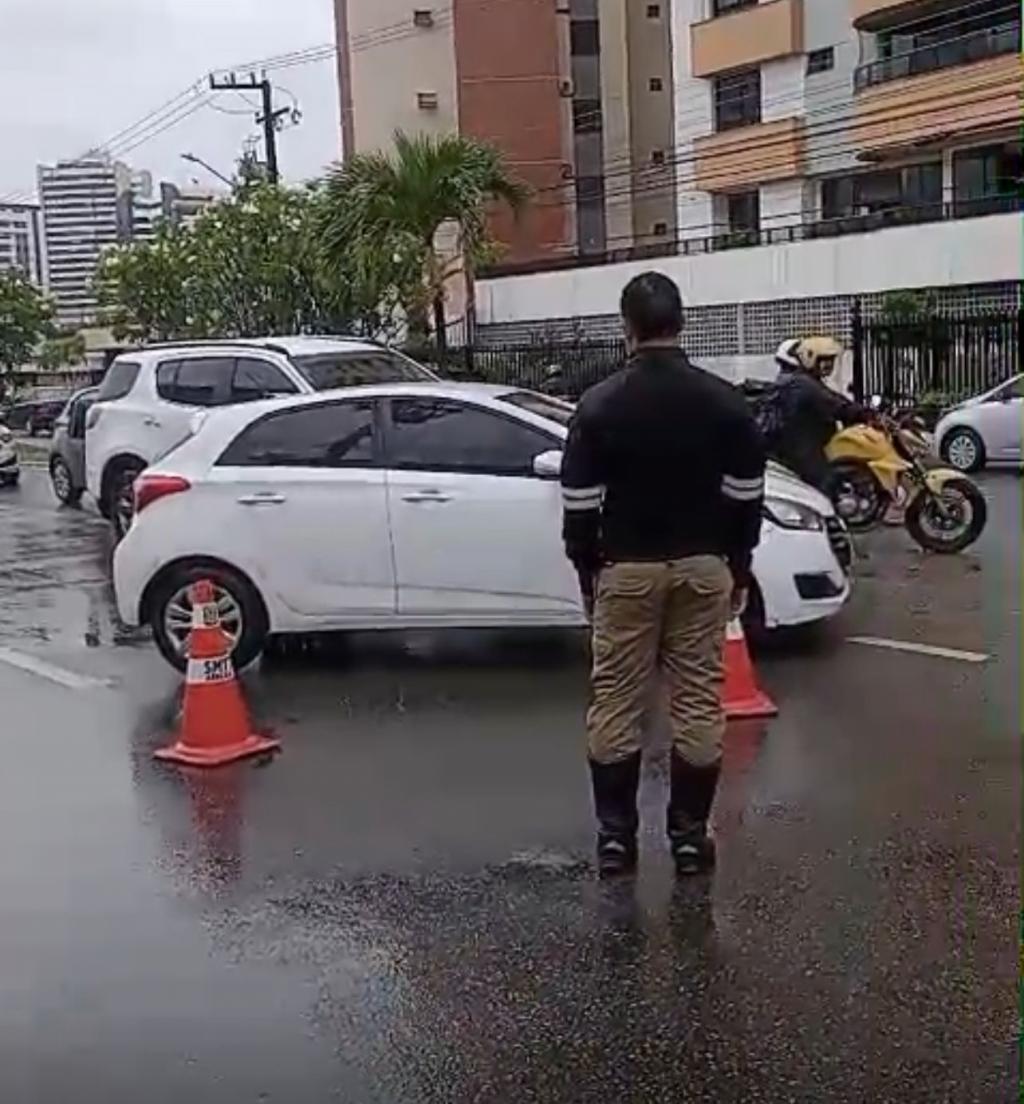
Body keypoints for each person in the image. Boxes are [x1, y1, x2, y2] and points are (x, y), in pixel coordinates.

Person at [561, 272, 766, 878]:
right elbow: (746, 497)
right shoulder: (725, 403)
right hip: (704, 568)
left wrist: (586, 568)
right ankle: (687, 838)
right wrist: (738, 563)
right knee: (699, 701)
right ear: (681, 322)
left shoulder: (599, 405)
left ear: (627, 328)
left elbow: (578, 503)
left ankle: (617, 841)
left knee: (616, 704)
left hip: (626, 569)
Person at [769, 336, 869, 492]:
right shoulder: (801, 383)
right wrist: (864, 413)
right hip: (803, 447)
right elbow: (833, 403)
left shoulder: (797, 380)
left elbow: (832, 398)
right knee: (828, 485)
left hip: (799, 444)